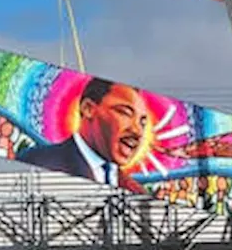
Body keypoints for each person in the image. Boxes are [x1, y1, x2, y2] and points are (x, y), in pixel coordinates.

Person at [16, 78, 147, 193]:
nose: (137, 131)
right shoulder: (39, 161)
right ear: (88, 108)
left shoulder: (136, 191)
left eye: (143, 123)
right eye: (125, 113)